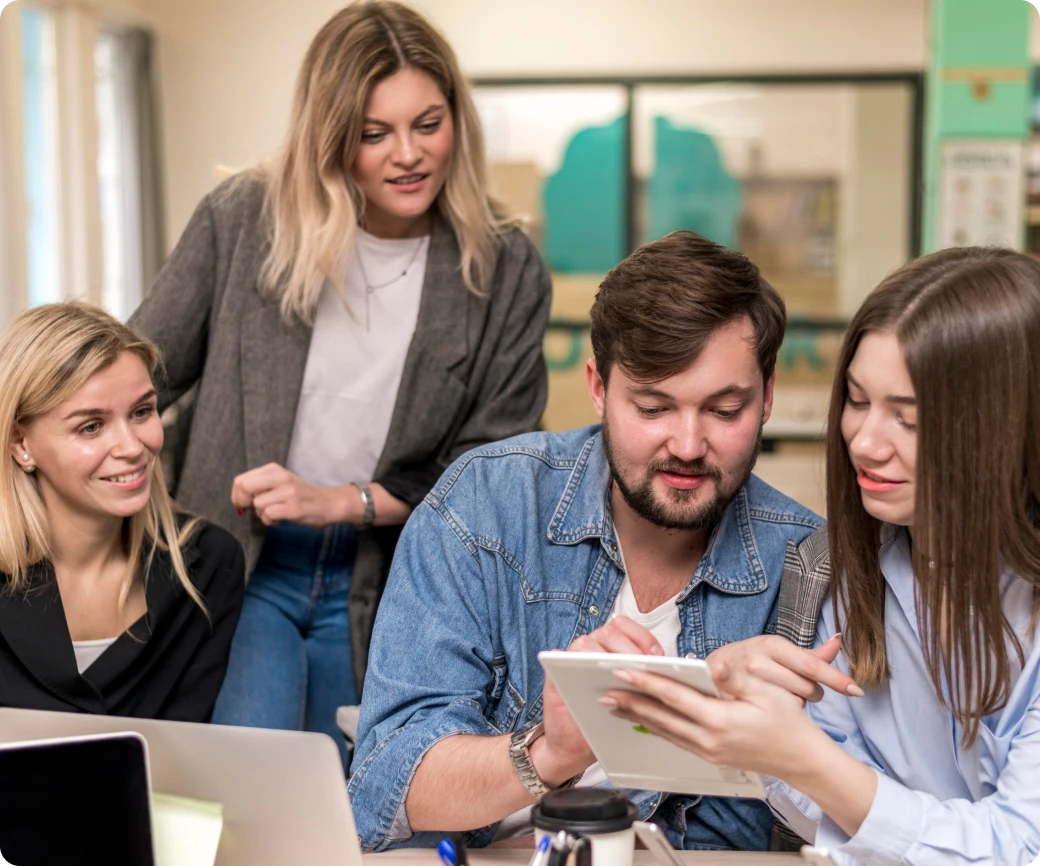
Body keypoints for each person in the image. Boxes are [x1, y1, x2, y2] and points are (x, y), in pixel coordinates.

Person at [128, 0, 551, 768]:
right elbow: (137, 378)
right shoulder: (243, 220)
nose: (408, 155)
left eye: (428, 124)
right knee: (249, 789)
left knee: (352, 797)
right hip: (241, 562)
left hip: (383, 580)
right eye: (372, 133)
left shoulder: (505, 266)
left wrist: (342, 503)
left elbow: (497, 464)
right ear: (329, 135)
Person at [348, 230, 831, 852]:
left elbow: (831, 828)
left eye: (724, 411)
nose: (688, 446)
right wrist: (552, 752)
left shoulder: (808, 565)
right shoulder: (487, 505)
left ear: (766, 398)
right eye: (653, 408)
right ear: (598, 388)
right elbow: (383, 786)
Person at [605, 246, 1040, 865]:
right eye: (858, 401)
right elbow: (829, 814)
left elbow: (1022, 845)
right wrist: (761, 716)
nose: (864, 442)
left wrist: (804, 757)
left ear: (1008, 427)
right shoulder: (849, 566)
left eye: (909, 420)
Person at [0, 302, 244, 721]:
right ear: (21, 444)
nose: (133, 447)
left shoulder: (208, 567)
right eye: (91, 426)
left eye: (142, 411)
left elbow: (187, 745)